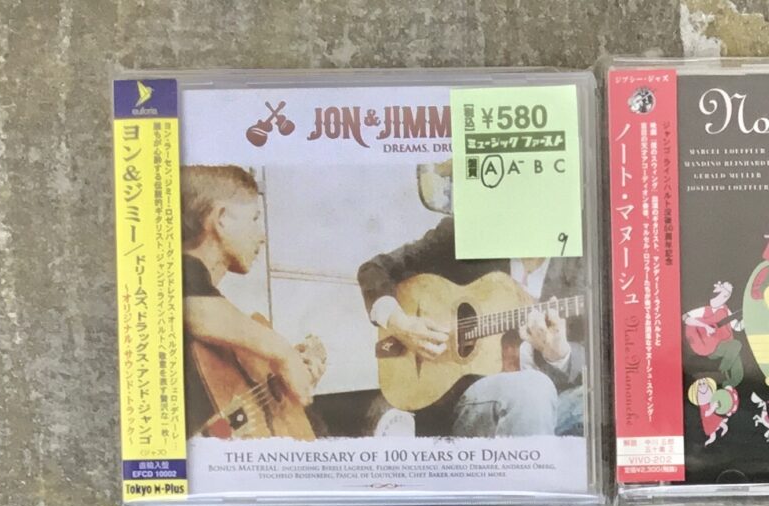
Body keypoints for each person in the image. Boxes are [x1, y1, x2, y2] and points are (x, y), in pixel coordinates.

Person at [358, 171, 585, 439]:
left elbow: (594, 353)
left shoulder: (582, 265)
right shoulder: (465, 234)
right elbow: (375, 270)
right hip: (468, 400)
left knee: (601, 399)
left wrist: (559, 354)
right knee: (533, 388)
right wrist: (402, 324)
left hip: (552, 401)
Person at [178, 164, 324, 434]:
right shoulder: (177, 274)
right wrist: (285, 354)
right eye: (255, 219)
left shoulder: (219, 317)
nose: (262, 237)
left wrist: (285, 383)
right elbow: (191, 305)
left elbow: (226, 425)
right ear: (222, 218)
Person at [682, 278, 747, 388]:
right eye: (723, 295)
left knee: (735, 354)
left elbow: (737, 327)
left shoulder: (725, 310)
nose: (724, 299)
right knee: (736, 345)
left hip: (726, 345)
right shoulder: (704, 310)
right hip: (710, 347)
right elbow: (685, 317)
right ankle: (722, 370)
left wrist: (747, 320)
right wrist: (705, 326)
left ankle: (732, 382)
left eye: (727, 296)